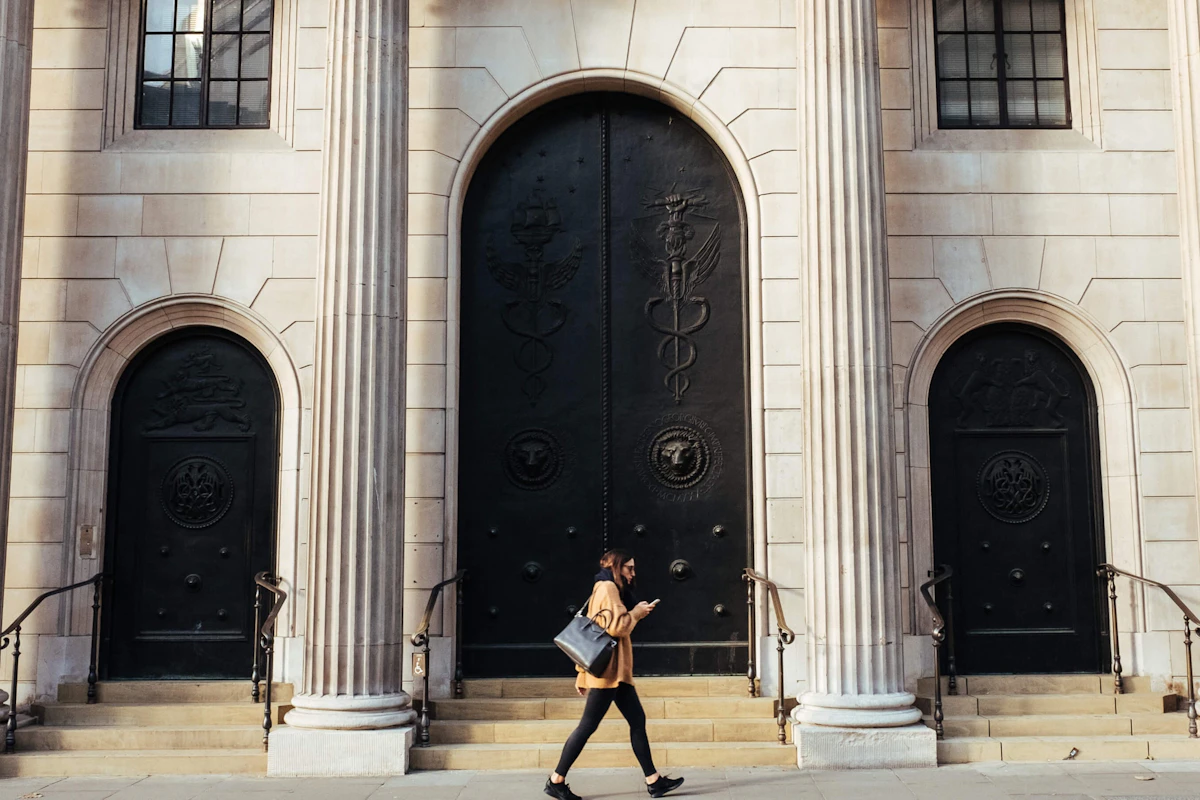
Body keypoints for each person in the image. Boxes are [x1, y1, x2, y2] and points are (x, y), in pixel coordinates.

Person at [545, 549, 685, 800]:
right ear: (616, 567)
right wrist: (637, 613)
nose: (632, 573)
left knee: (637, 720)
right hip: (608, 674)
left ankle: (654, 780)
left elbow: (590, 631)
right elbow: (618, 627)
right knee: (587, 727)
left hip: (615, 674)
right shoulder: (608, 588)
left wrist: (580, 674)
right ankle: (556, 780)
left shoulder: (605, 588)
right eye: (628, 568)